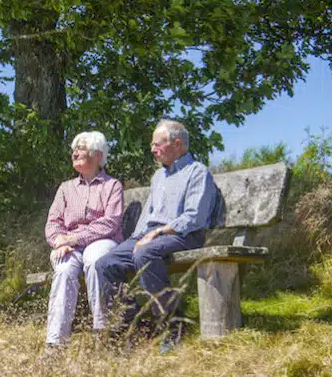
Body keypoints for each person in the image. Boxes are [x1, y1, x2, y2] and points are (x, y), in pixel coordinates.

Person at [95, 119, 216, 353]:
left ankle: (174, 325)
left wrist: (157, 233)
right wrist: (136, 238)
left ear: (177, 144)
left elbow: (195, 217)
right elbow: (147, 217)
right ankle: (130, 328)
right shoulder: (158, 177)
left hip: (183, 235)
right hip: (152, 236)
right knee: (106, 263)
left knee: (145, 253)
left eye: (156, 144)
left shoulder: (197, 173)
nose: (152, 149)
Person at [45, 131, 124, 346]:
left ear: (98, 155)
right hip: (70, 246)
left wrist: (73, 238)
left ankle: (103, 330)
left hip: (102, 240)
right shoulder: (65, 188)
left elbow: (110, 222)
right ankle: (55, 341)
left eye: (81, 148)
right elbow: (53, 222)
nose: (75, 153)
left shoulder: (112, 186)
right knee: (63, 268)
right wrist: (59, 241)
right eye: (74, 149)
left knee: (95, 259)